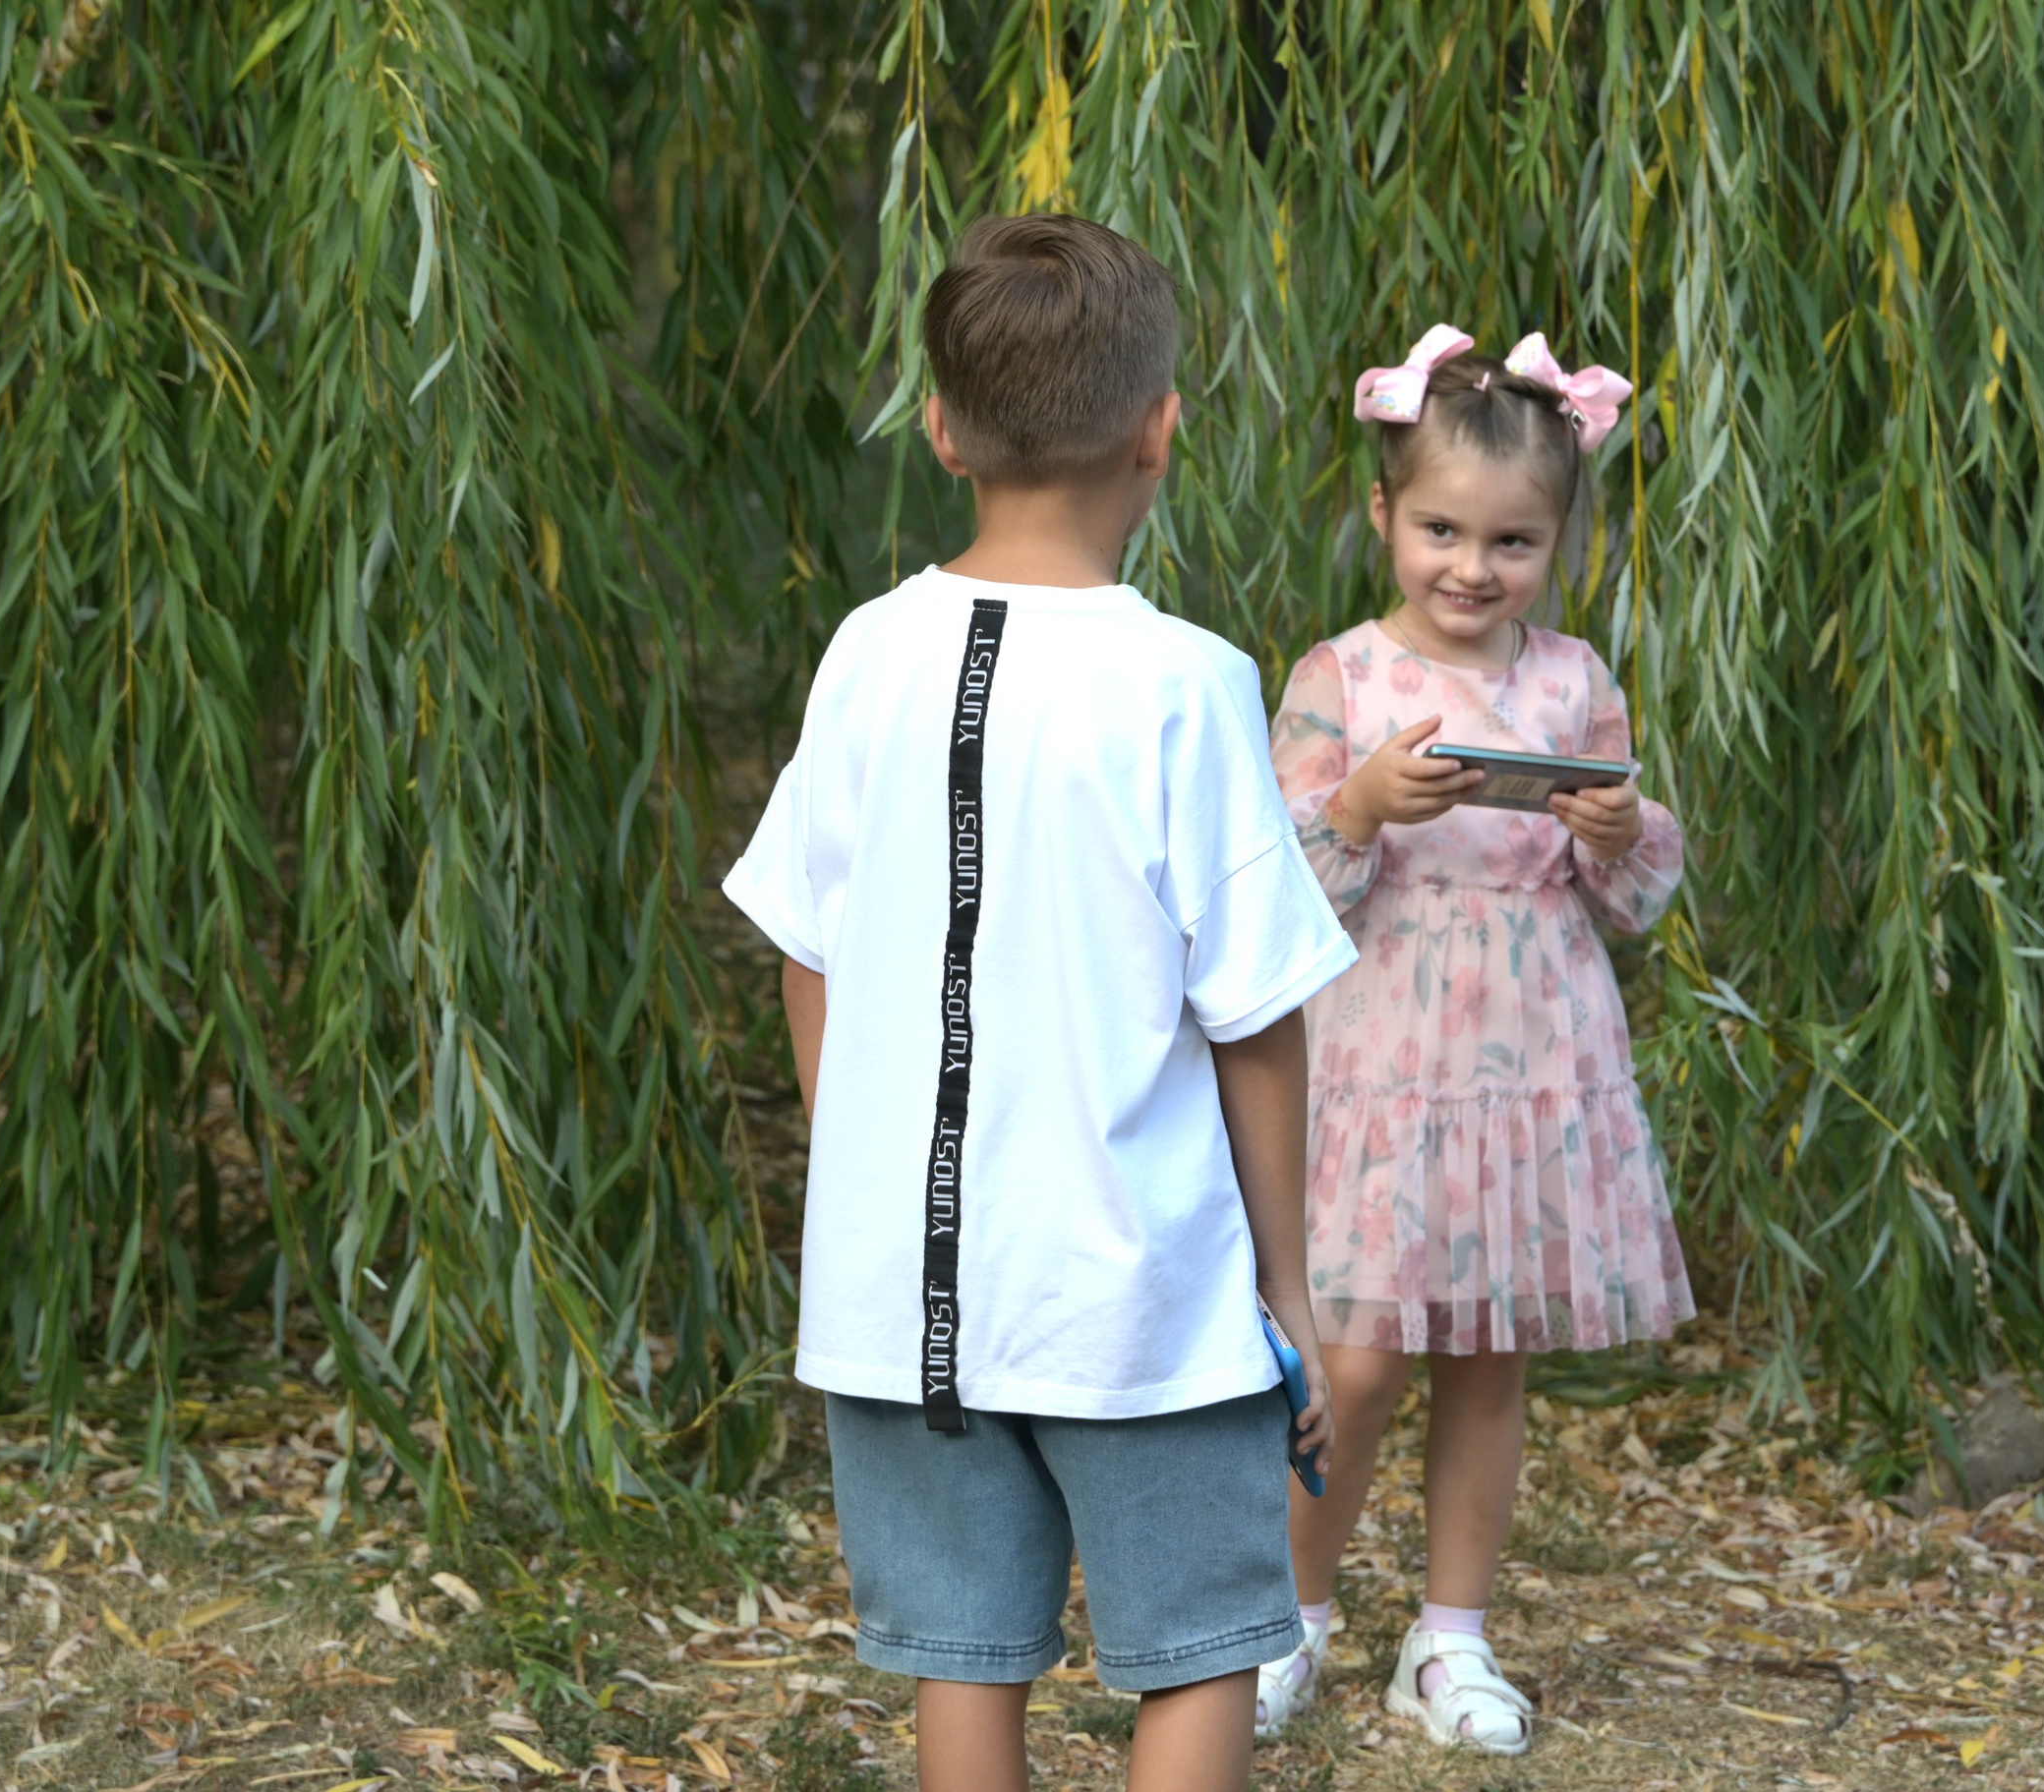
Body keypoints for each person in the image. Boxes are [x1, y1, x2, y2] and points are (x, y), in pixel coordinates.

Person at [722, 214, 1356, 1792]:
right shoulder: (1187, 683)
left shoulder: (866, 652)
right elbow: (1256, 1013)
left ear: (939, 428)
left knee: (964, 1657)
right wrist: (1288, 1289)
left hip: (907, 1307)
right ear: (1162, 432)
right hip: (1136, 1298)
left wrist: (865, 1170)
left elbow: (808, 942)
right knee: (1203, 1647)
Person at [1253, 325, 1696, 1754]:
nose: (1471, 567)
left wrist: (1617, 829)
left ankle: (1451, 1638)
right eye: (1441, 529)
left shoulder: (1573, 679)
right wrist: (1365, 808)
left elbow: (1630, 896)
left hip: (1532, 1047)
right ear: (1383, 516)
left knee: (1489, 1353)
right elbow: (1269, 876)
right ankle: (1292, 1616)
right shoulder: (1340, 675)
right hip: (1380, 1048)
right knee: (1361, 1353)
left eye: (1513, 541)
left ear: (1558, 542)